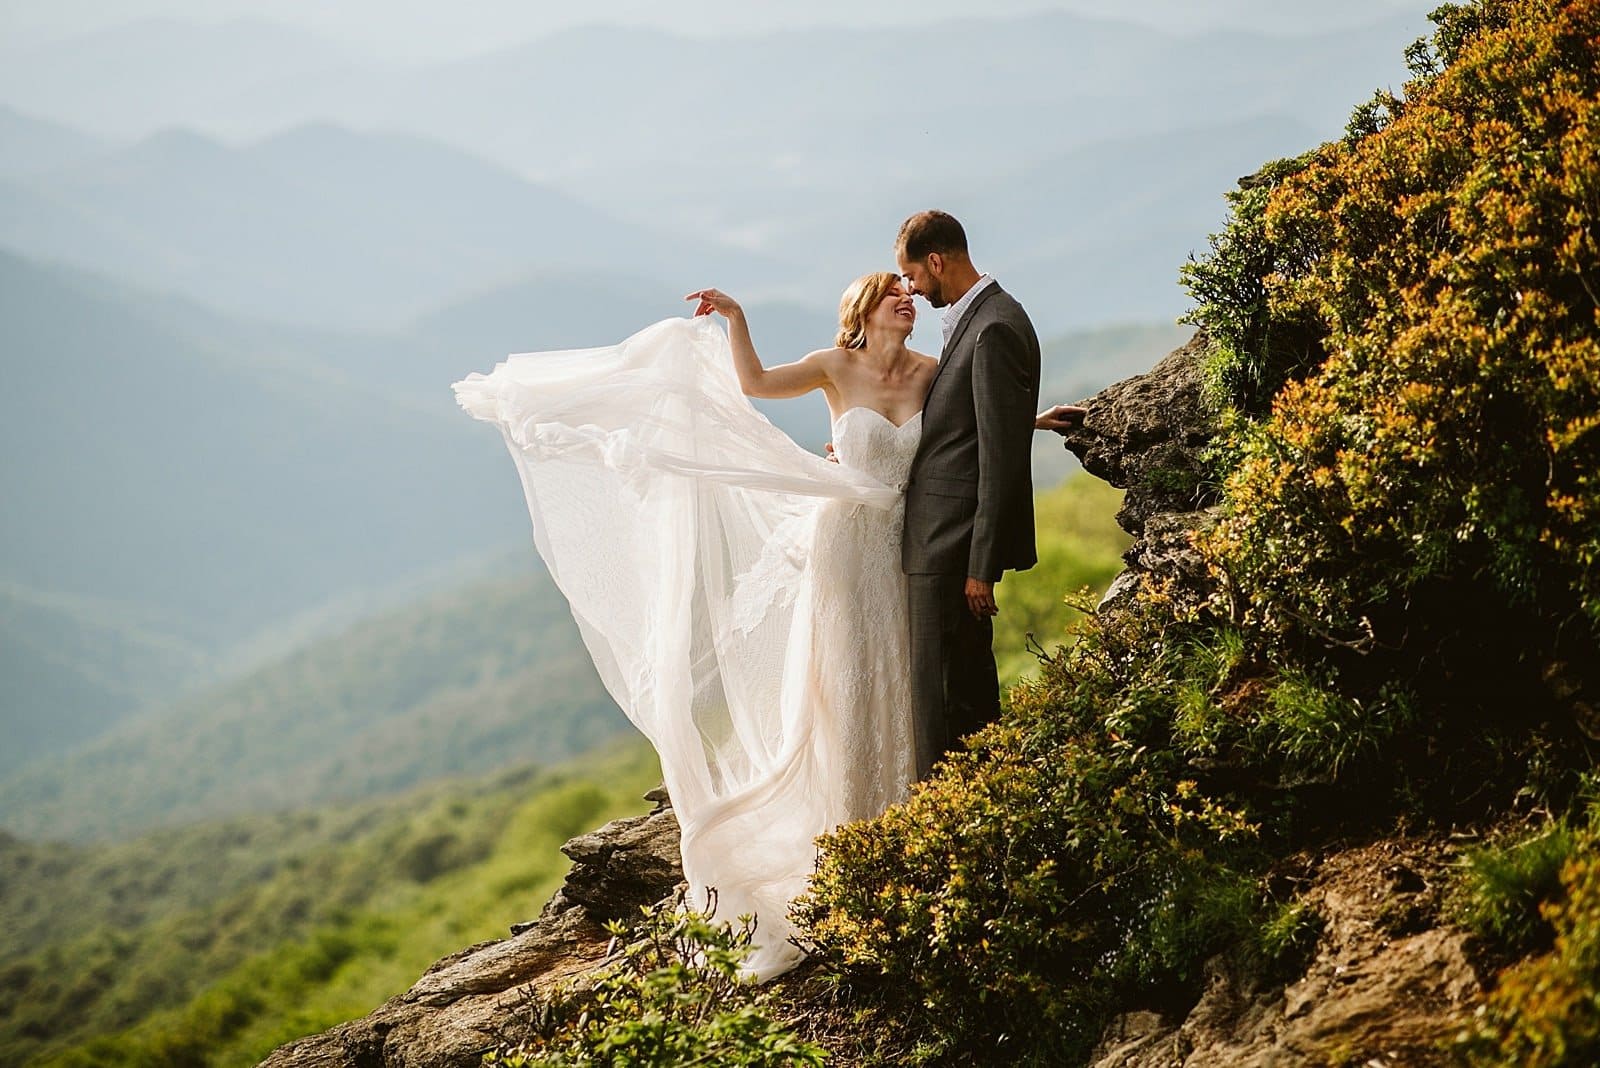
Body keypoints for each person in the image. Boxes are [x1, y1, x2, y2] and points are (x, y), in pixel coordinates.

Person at [453, 269, 1079, 980]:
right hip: (846, 545)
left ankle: (907, 830)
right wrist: (736, 317)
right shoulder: (831, 366)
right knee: (848, 683)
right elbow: (750, 386)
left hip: (907, 547)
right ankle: (852, 842)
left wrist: (1035, 420)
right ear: (864, 312)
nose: (908, 302)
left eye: (911, 293)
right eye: (892, 296)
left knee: (901, 680)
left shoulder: (933, 371)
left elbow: (972, 426)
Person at [896, 210, 1048, 778]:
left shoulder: (995, 326)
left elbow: (998, 458)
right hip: (943, 544)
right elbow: (972, 423)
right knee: (959, 695)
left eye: (912, 275)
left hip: (952, 549)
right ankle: (976, 811)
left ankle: (947, 824)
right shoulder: (981, 318)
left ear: (936, 261)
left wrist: (980, 566)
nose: (910, 288)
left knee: (943, 705)